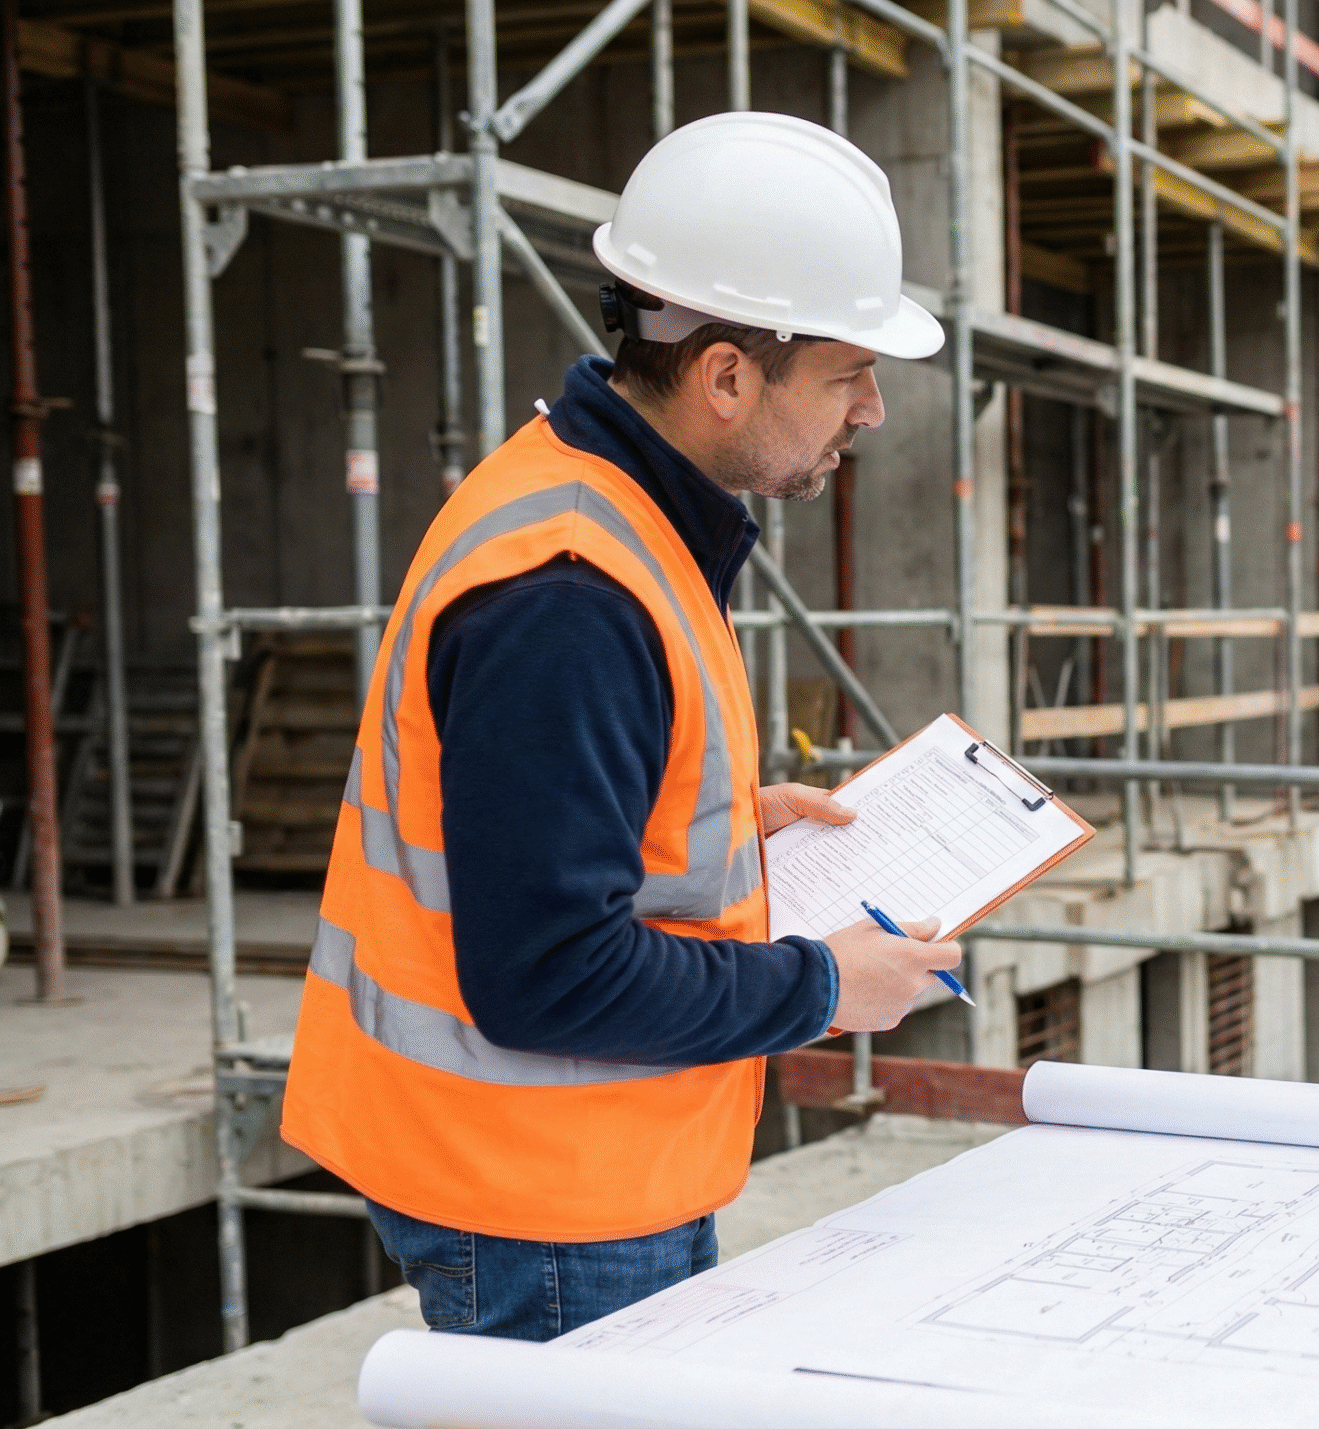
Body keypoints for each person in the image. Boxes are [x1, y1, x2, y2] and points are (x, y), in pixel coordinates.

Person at [281, 113, 959, 1341]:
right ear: (727, 374)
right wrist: (819, 985)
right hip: (542, 1198)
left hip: (574, 1171)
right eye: (850, 372)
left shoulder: (595, 508)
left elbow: (527, 813)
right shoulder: (572, 590)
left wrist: (713, 825)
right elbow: (546, 973)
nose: (868, 410)